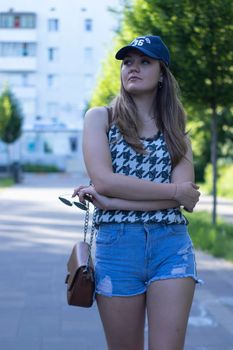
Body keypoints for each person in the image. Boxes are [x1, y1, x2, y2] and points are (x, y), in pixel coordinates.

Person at [73, 35, 201, 350]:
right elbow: (104, 180)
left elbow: (188, 200)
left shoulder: (175, 129)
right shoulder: (100, 118)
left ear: (162, 74)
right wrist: (172, 193)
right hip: (117, 247)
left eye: (145, 62)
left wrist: (115, 202)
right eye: (128, 61)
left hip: (171, 247)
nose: (133, 68)